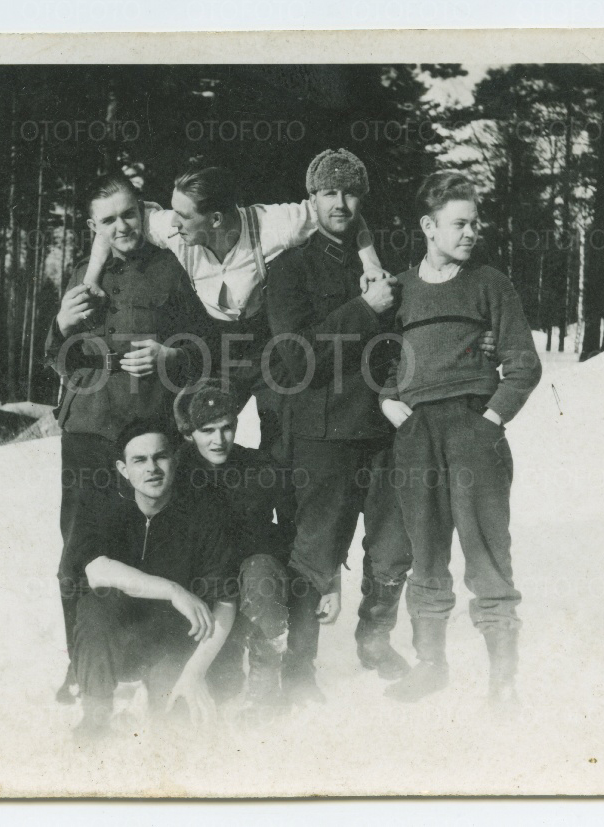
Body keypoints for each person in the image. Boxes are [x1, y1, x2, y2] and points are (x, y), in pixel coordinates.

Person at [79, 165, 389, 459]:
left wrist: (371, 264)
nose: (174, 222)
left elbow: (340, 212)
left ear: (215, 219)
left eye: (183, 216)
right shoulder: (171, 228)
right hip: (217, 348)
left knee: (282, 441)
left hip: (267, 347)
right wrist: (91, 278)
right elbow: (110, 225)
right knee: (197, 430)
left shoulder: (274, 225)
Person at [45, 172, 211, 705]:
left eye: (129, 214)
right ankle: (81, 663)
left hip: (149, 430)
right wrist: (59, 324)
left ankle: (155, 655)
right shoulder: (82, 274)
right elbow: (56, 358)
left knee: (155, 547)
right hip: (89, 431)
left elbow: (206, 348)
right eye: (109, 219)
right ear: (92, 226)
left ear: (143, 213)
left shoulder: (167, 270)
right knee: (79, 552)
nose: (122, 226)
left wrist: (169, 356)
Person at [379, 171, 542, 705]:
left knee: (486, 549)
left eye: (475, 223)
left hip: (474, 428)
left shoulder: (490, 283)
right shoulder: (399, 290)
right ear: (429, 227)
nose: (471, 232)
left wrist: (490, 419)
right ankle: (431, 664)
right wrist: (389, 402)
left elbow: (523, 363)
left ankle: (503, 678)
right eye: (459, 223)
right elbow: (380, 358)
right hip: (416, 433)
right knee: (425, 550)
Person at [264, 148, 418, 704]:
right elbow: (292, 360)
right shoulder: (289, 269)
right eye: (329, 192)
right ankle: (299, 666)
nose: (340, 203)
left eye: (350, 192)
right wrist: (364, 308)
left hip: (386, 430)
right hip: (324, 434)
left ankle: (374, 641)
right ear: (311, 200)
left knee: (393, 548)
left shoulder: (384, 265)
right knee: (314, 552)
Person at [70, 419, 238, 742]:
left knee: (174, 732)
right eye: (139, 460)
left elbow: (226, 602)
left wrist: (194, 673)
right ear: (123, 469)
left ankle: (164, 698)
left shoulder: (204, 512)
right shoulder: (106, 506)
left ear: (174, 460)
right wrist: (173, 590)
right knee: (94, 607)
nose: (152, 468)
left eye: (160, 457)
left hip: (176, 643)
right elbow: (97, 570)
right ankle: (95, 718)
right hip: (122, 641)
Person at [172, 380, 294, 719]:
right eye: (207, 430)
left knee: (262, 573)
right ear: (189, 434)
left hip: (249, 577)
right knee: (221, 684)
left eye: (226, 428)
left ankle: (265, 687)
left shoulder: (258, 466)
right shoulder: (176, 472)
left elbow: (292, 527)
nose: (219, 440)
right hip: (205, 584)